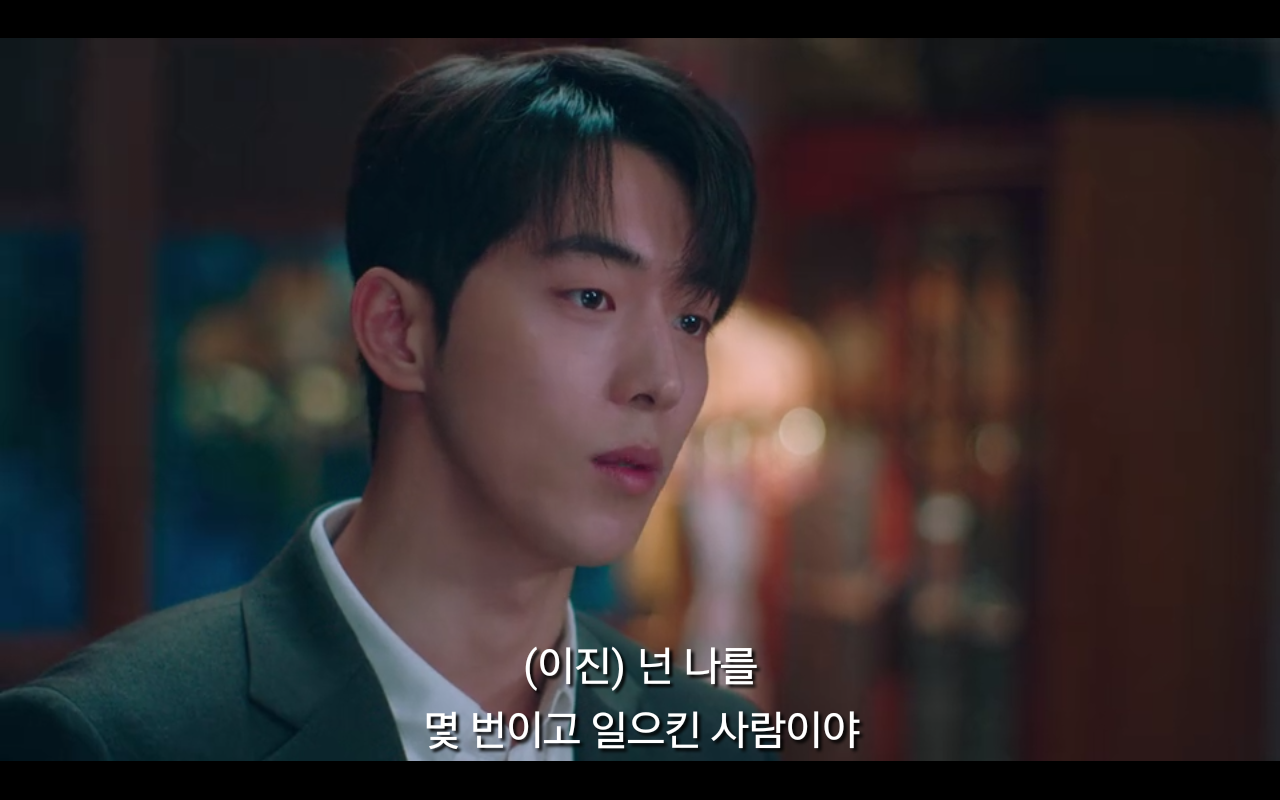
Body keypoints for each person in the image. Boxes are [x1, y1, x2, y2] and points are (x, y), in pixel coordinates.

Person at [0, 45, 771, 760]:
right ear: (398, 331)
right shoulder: (114, 737)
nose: (663, 380)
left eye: (691, 321)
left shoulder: (712, 739)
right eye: (592, 297)